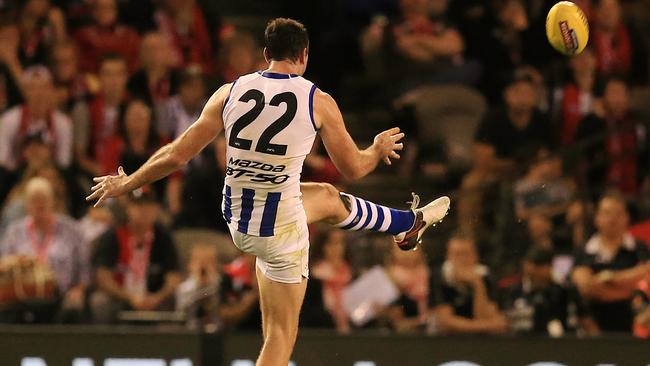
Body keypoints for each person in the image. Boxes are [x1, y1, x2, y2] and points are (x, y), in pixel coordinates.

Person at [86, 18, 450, 366]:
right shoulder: (316, 100)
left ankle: (405, 225)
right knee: (281, 335)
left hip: (237, 217)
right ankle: (405, 226)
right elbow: (354, 169)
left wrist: (128, 182)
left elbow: (177, 154)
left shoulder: (230, 91)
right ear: (304, 55)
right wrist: (376, 149)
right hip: (280, 230)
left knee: (325, 195)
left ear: (266, 55)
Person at [0, 177, 88, 322]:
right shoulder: (14, 232)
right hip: (22, 296)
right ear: (26, 205)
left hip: (60, 295)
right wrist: (15, 262)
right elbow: (3, 265)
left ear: (52, 201)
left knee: (73, 306)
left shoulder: (72, 230)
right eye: (34, 200)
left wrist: (79, 289)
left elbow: (84, 269)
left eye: (43, 200)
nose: (39, 205)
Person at [90, 187, 182, 323]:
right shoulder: (113, 236)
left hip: (154, 298)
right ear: (128, 208)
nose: (143, 211)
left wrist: (157, 297)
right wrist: (129, 297)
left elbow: (173, 277)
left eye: (148, 206)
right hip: (120, 297)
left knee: (176, 299)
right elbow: (103, 277)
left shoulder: (163, 237)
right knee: (100, 302)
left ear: (156, 209)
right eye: (138, 205)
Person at [571, 192, 650, 333]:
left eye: (618, 214)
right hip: (594, 330)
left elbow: (646, 276)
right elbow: (586, 287)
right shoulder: (584, 251)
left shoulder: (640, 248)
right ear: (597, 218)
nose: (612, 219)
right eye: (606, 213)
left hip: (636, 328)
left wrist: (609, 277)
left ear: (627, 218)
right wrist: (628, 285)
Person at [429, 235, 508, 334]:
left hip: (481, 342)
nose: (462, 259)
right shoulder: (440, 276)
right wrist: (488, 325)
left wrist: (478, 285)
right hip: (446, 341)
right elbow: (446, 322)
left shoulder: (486, 275)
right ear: (448, 256)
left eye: (466, 254)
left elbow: (484, 316)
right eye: (457, 254)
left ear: (476, 256)